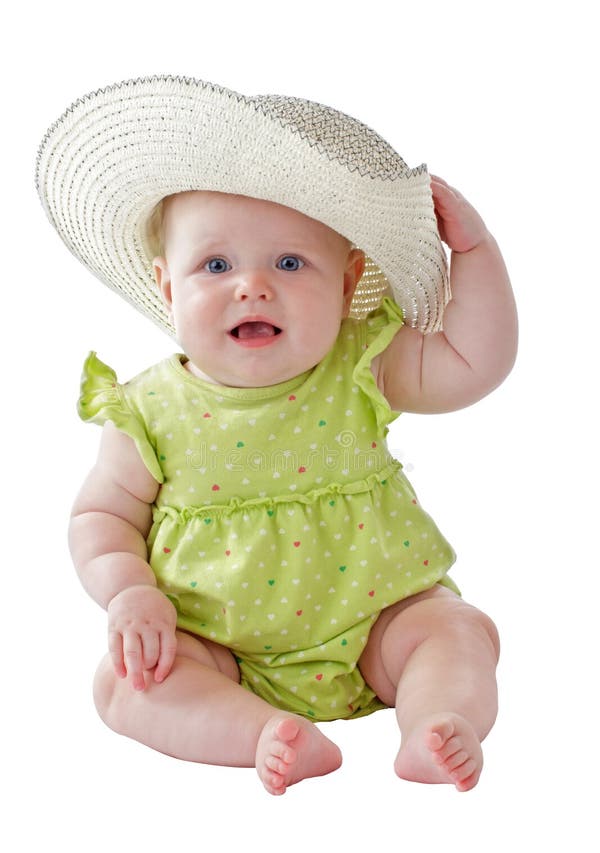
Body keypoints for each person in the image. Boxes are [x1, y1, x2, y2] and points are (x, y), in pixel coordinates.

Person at [36, 76, 516, 795]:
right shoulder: (150, 410)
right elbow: (100, 517)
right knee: (124, 686)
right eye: (216, 265)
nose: (252, 286)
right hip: (216, 643)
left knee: (458, 630)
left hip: (377, 623)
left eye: (290, 264)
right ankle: (260, 732)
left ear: (346, 280)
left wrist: (474, 255)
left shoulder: (362, 364)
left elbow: (476, 363)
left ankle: (436, 722)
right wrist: (130, 592)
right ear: (168, 288)